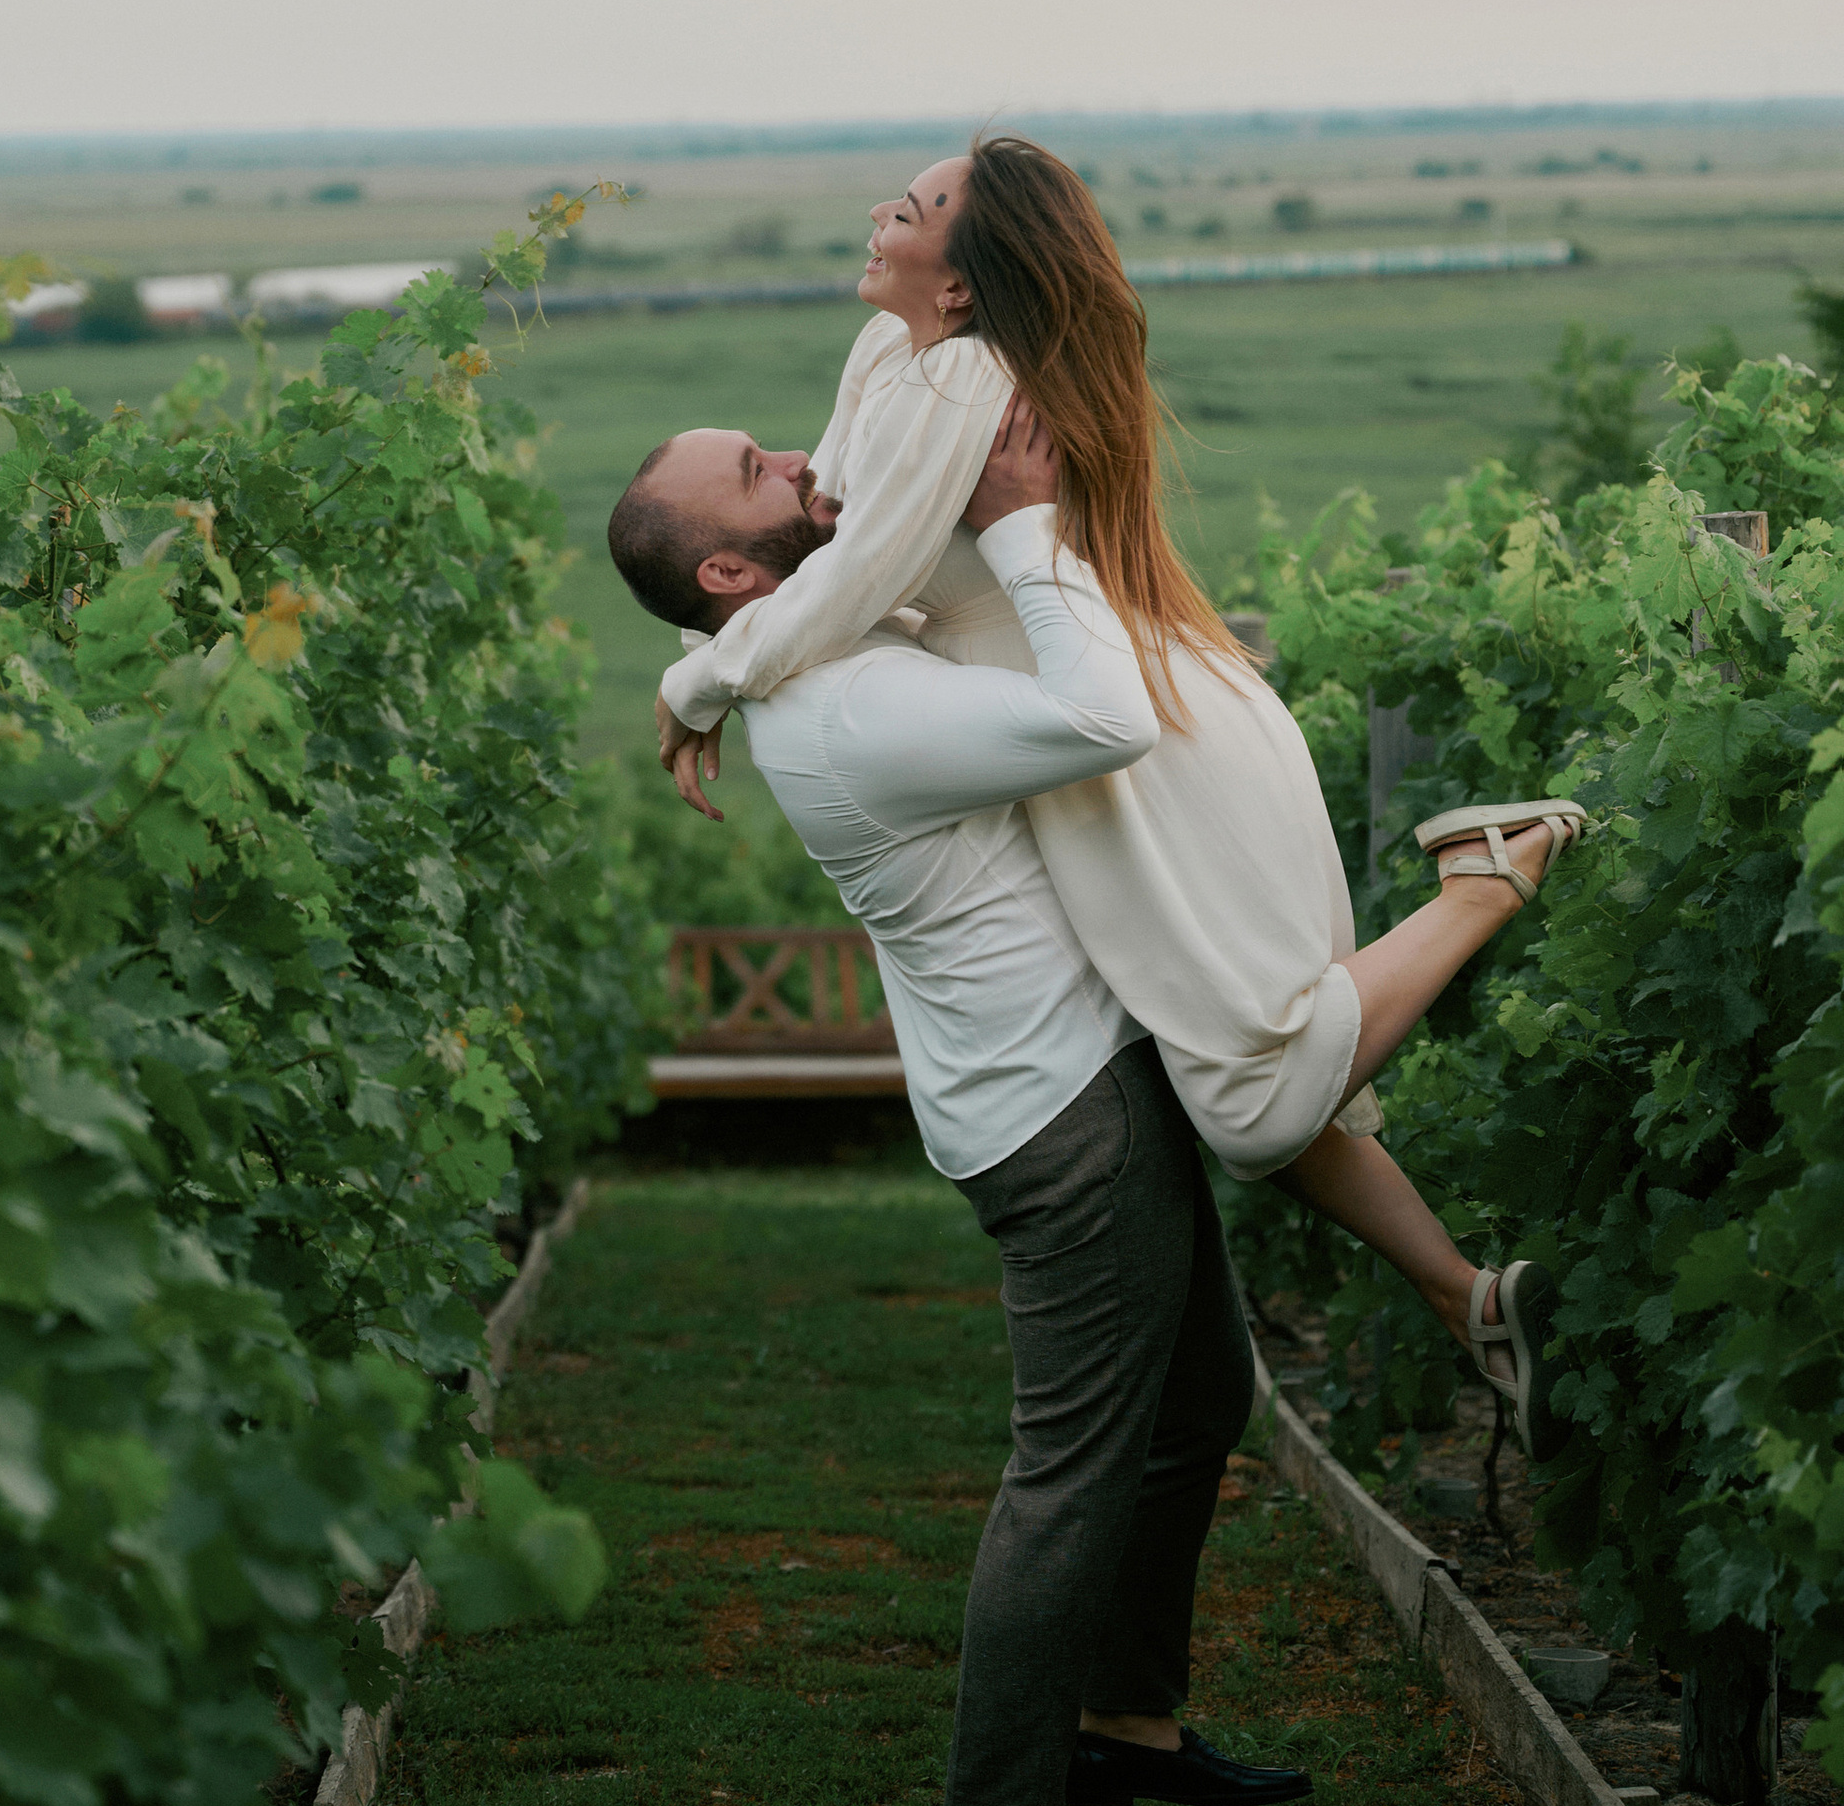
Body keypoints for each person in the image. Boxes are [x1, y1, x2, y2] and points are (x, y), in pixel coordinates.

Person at [640, 139, 1582, 1428]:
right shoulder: (888, 361)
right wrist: (717, 643)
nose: (878, 212)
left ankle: (1487, 879)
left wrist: (699, 681)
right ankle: (1464, 1299)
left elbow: (851, 582)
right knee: (1226, 1054)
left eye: (908, 210)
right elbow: (817, 533)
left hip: (1125, 736)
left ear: (962, 285)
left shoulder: (960, 387)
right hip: (1068, 724)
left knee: (1249, 1091)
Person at [607, 394, 1343, 1806]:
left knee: (1202, 1390)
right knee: (1071, 1466)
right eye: (757, 472)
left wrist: (693, 677)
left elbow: (839, 539)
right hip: (1060, 1112)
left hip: (1066, 1079)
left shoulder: (801, 649)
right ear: (732, 573)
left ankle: (1128, 1722)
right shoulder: (850, 704)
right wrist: (1018, 526)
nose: (800, 459)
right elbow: (1102, 716)